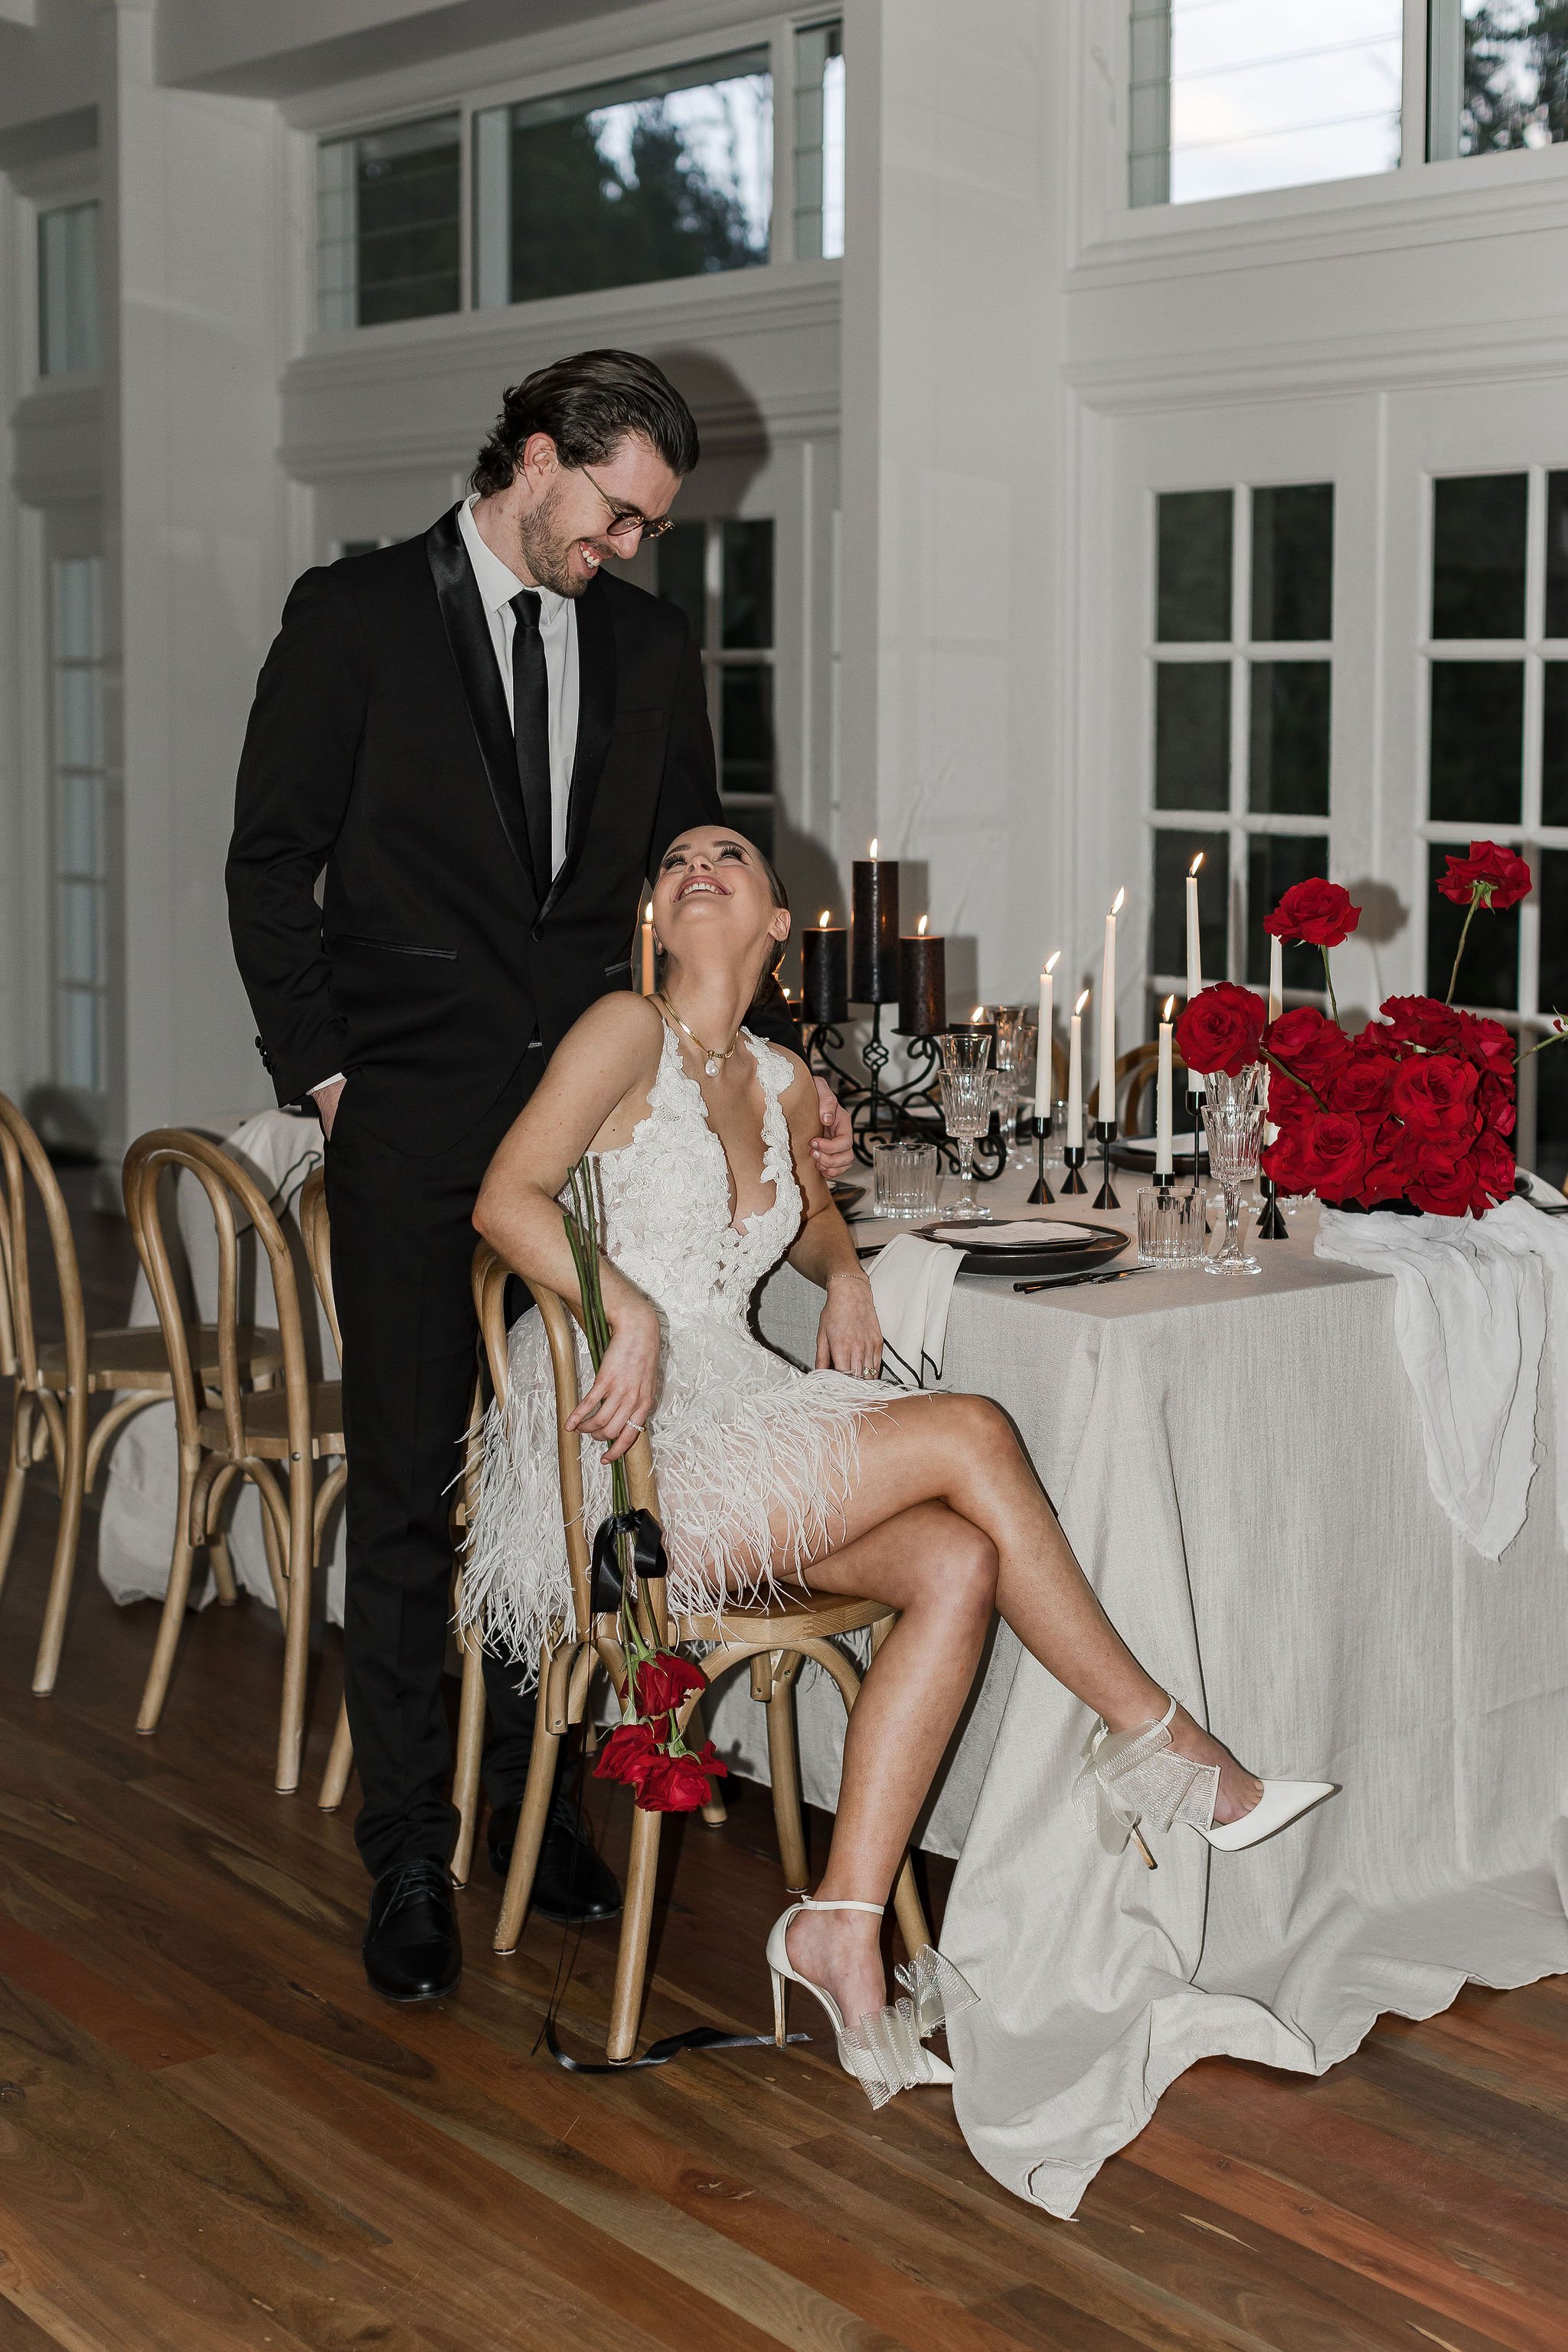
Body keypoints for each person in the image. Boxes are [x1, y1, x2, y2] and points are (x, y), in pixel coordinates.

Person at [466, 822, 1335, 2105]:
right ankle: (1163, 1743)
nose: (698, 865)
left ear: (777, 922)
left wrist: (848, 1277)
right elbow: (505, 1197)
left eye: (730, 856)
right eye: (676, 861)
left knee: (958, 1559)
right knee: (972, 1429)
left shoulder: (779, 1078)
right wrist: (623, 1305)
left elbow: (809, 1224)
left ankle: (843, 1922)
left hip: (740, 1413)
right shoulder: (624, 1030)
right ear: (655, 914)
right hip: (629, 1454)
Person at [227, 351, 854, 2006]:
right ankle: (406, 1855)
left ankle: (531, 1810)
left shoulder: (646, 648)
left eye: (648, 524)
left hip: (598, 1129)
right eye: (617, 513)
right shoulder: (353, 617)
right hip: (413, 1123)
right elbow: (270, 863)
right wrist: (331, 1079)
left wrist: (783, 1084)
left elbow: (700, 892)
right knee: (411, 1484)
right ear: (531, 457)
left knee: (562, 1482)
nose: (630, 547)